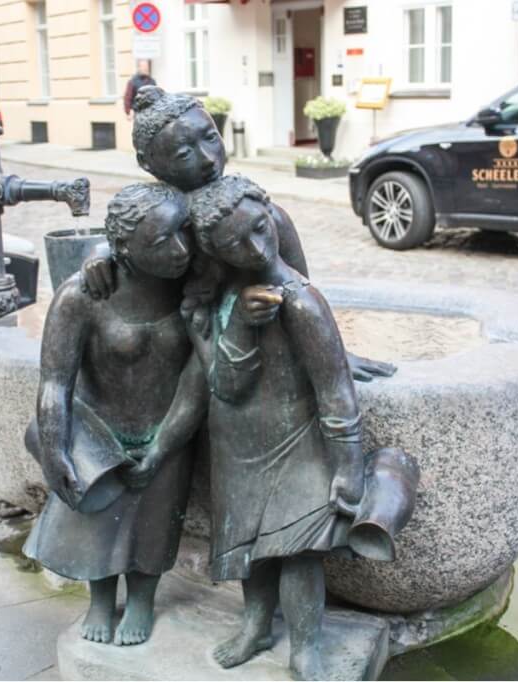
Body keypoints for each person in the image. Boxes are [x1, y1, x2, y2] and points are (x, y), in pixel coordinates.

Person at [146, 175, 366, 679]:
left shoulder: (303, 302)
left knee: (298, 552)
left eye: (261, 229)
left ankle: (306, 645)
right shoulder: (224, 301)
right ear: (217, 253)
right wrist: (238, 324)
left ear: (271, 215)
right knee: (250, 549)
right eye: (236, 244)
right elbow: (224, 384)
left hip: (297, 444)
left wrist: (347, 465)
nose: (256, 247)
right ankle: (255, 625)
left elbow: (336, 390)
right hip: (238, 445)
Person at [82, 85, 394, 381]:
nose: (207, 158)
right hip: (175, 348)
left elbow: (300, 289)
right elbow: (126, 235)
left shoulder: (255, 215)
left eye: (210, 138)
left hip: (240, 347)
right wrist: (100, 252)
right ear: (147, 163)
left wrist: (329, 350)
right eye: (184, 154)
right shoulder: (155, 211)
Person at [23, 183, 198, 647]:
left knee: (156, 526)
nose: (181, 248)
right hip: (100, 431)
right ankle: (100, 599)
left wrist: (164, 444)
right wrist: (56, 448)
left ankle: (142, 599)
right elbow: (55, 381)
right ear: (125, 248)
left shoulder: (193, 288)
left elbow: (196, 379)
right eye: (163, 241)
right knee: (95, 525)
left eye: (184, 232)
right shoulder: (82, 295)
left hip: (169, 427)